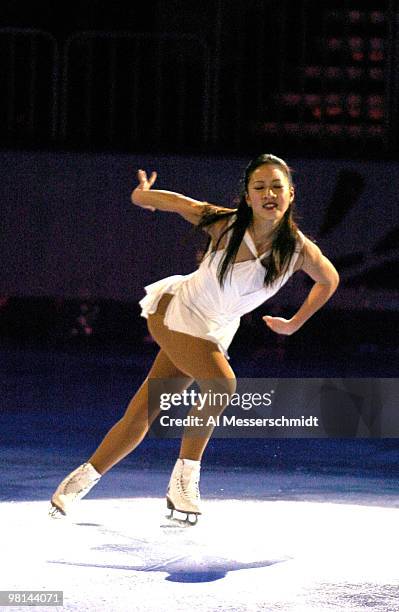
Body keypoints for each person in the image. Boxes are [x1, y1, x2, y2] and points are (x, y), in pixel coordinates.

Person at [49, 153, 339, 523]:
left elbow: (329, 280)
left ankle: (75, 485)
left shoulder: (299, 250)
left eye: (276, 186)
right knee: (222, 384)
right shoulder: (226, 225)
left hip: (212, 330)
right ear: (247, 196)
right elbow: (182, 204)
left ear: (291, 194)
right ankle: (183, 482)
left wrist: (294, 323)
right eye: (259, 187)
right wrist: (143, 196)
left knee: (143, 413)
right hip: (176, 311)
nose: (269, 194)